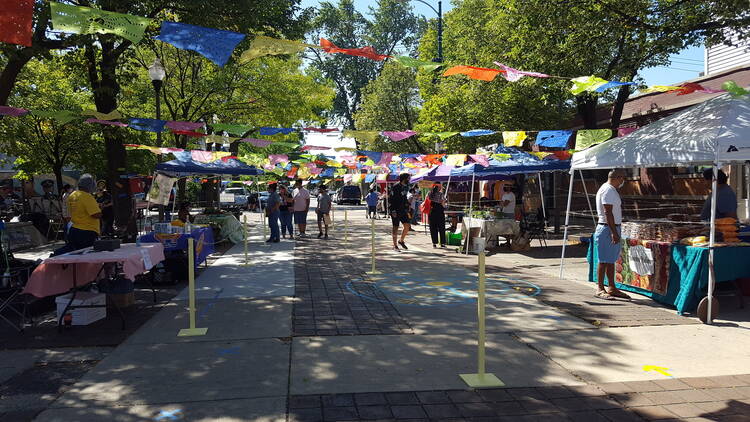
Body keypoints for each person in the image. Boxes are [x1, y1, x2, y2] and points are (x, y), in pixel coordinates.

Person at [594, 169, 630, 300]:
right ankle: (600, 288)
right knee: (603, 260)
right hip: (608, 228)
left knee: (610, 260)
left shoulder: (610, 189)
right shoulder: (608, 190)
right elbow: (608, 212)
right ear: (617, 177)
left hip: (611, 227)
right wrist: (614, 232)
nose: (623, 181)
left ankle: (612, 287)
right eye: (623, 178)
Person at [54, 174, 101, 255]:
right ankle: (54, 257)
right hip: (87, 231)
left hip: (74, 229)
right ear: (90, 185)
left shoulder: (72, 195)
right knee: (85, 254)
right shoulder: (87, 196)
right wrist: (100, 209)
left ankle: (54, 256)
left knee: (72, 250)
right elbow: (96, 214)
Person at [389, 173, 411, 251]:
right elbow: (391, 199)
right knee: (395, 227)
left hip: (403, 210)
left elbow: (404, 197)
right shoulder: (395, 187)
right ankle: (395, 245)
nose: (409, 180)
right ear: (404, 179)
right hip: (395, 210)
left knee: (407, 225)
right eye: (408, 178)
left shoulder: (406, 187)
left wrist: (408, 204)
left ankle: (401, 241)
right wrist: (393, 210)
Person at [428, 183, 447, 248]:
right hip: (439, 211)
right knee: (441, 227)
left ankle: (434, 243)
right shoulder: (441, 194)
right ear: (439, 188)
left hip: (431, 212)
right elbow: (443, 203)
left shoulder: (429, 193)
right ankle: (442, 243)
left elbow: (426, 201)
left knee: (433, 228)